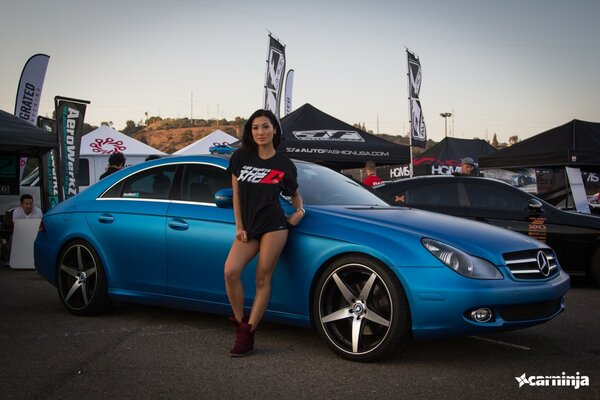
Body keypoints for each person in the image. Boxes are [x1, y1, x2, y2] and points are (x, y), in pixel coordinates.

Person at [224, 109, 305, 357]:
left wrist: (299, 211)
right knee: (231, 271)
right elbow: (236, 195)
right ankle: (240, 322)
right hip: (248, 226)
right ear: (250, 131)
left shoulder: (284, 164)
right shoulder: (240, 157)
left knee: (262, 278)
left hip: (274, 226)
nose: (260, 132)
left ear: (274, 130)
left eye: (265, 127)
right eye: (256, 127)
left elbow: (295, 196)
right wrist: (239, 226)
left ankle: (247, 334)